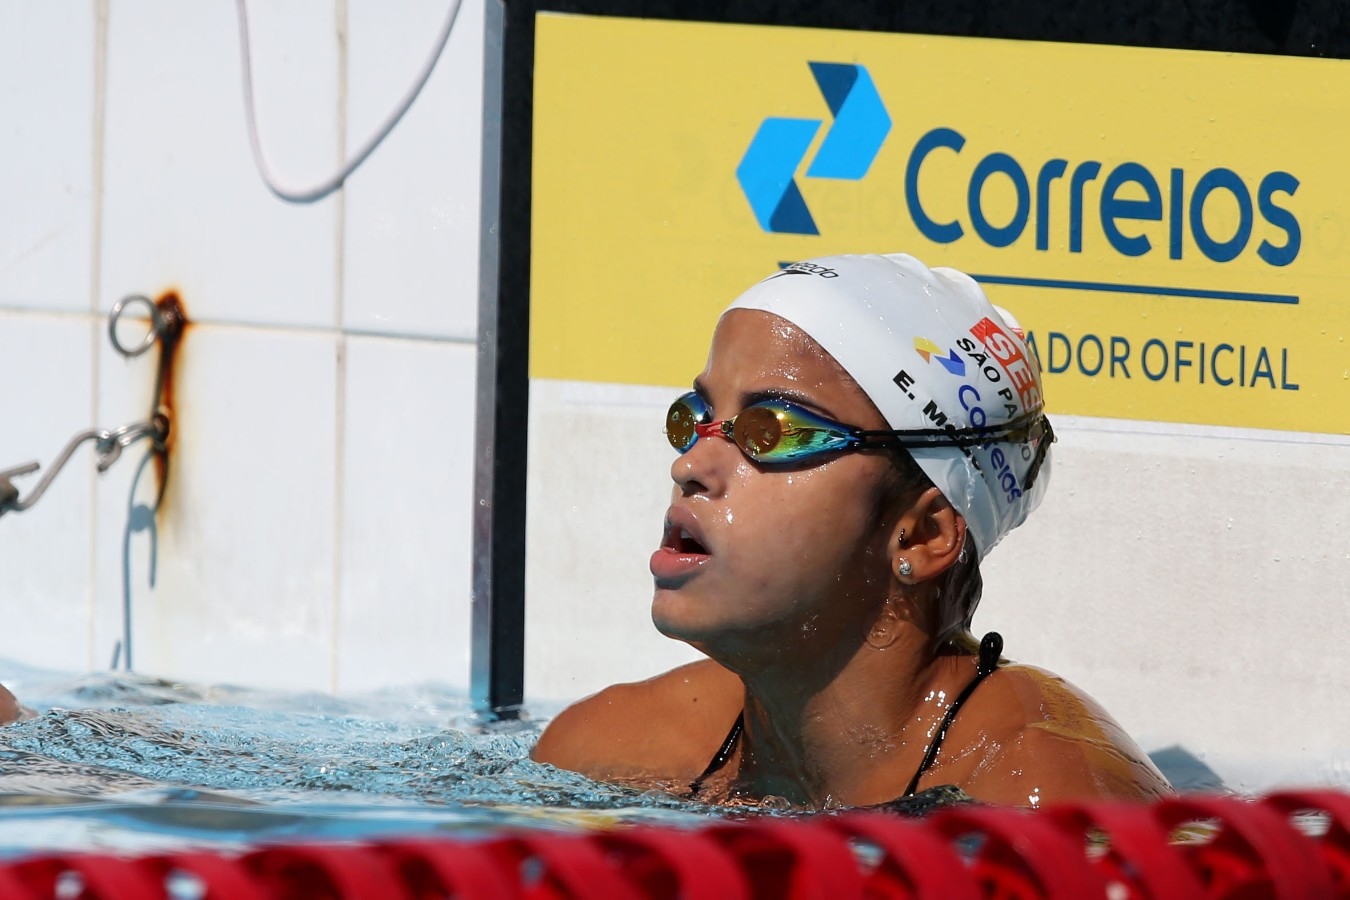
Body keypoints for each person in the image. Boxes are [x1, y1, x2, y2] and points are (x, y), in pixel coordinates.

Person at [531, 253, 1170, 809]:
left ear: (920, 535)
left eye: (773, 431)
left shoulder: (1048, 796)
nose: (690, 465)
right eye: (696, 416)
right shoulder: (608, 751)